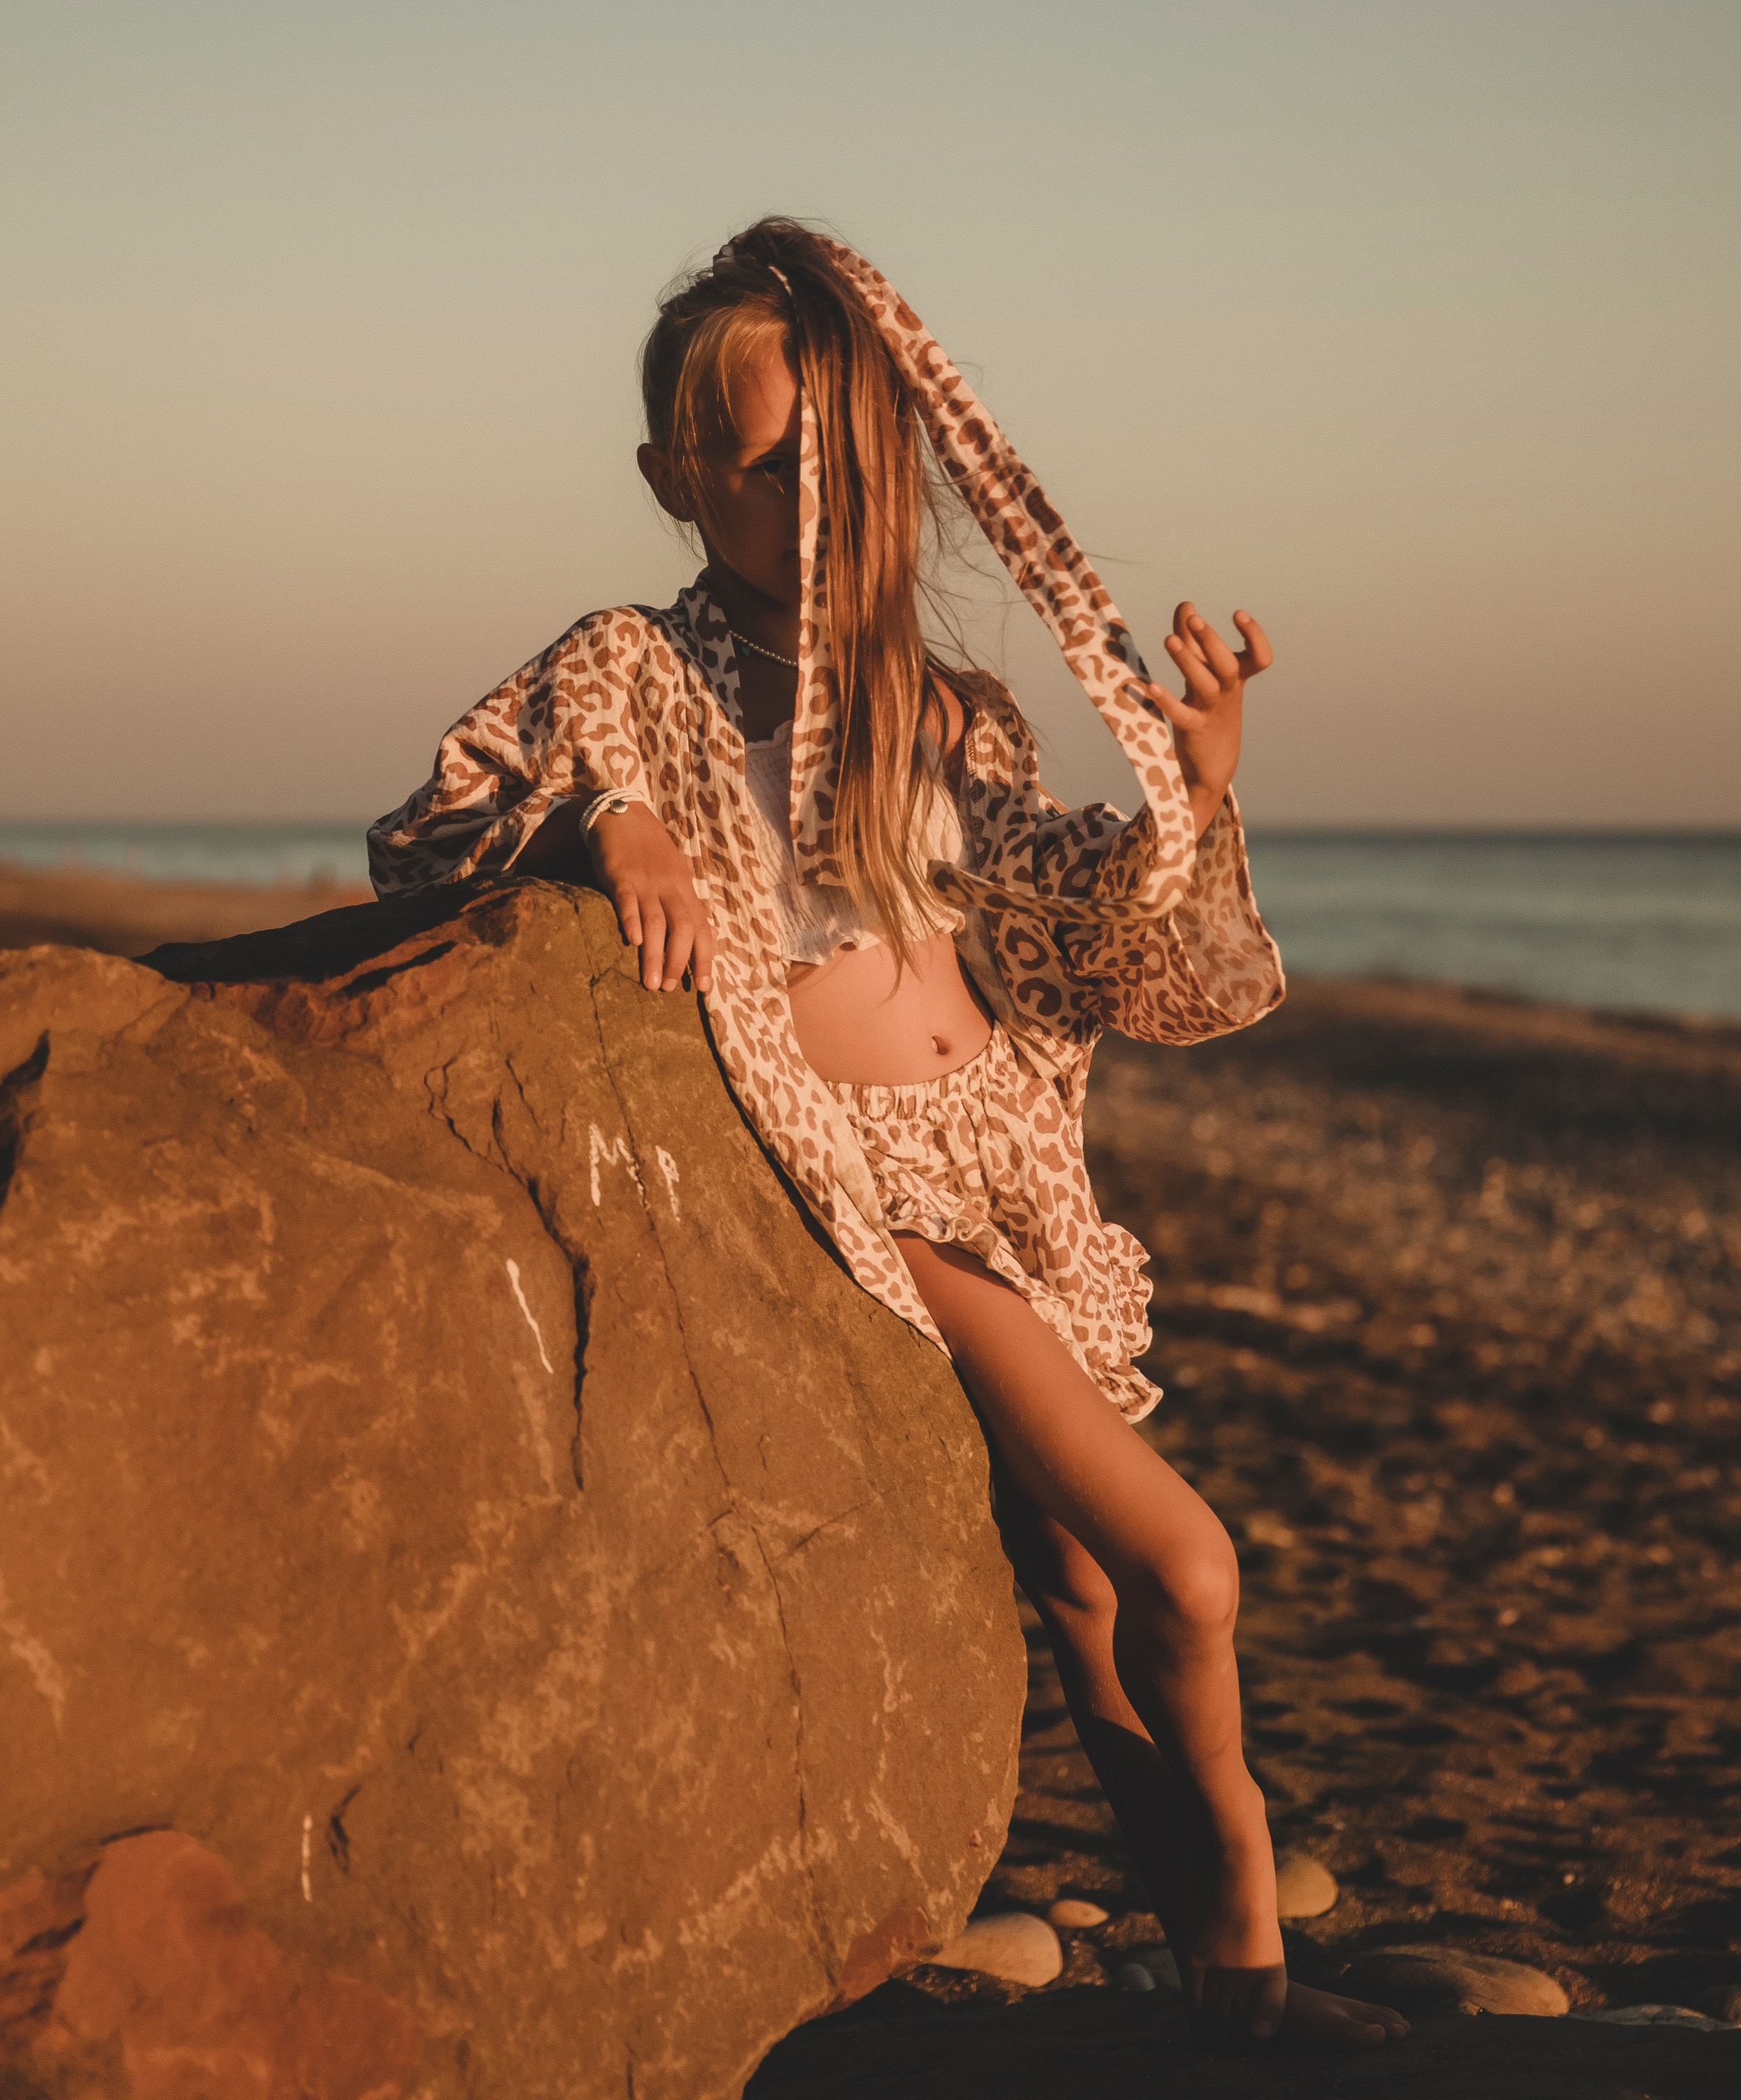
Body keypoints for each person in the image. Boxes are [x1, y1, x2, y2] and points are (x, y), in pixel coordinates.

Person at [369, 219, 1406, 2053]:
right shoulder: (634, 671)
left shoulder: (947, 705)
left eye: (846, 463)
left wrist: (1199, 788)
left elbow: (1076, 913)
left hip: (1012, 1158)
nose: (815, 503)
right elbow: (436, 820)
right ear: (676, 481)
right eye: (768, 468)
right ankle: (1255, 1957)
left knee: (1080, 1591)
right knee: (1186, 1568)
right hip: (877, 1191)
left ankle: (1223, 1988)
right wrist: (607, 823)